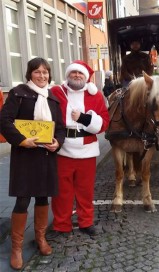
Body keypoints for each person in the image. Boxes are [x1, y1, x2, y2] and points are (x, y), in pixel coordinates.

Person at [0, 57, 65, 270]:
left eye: (45, 72)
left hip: (46, 156)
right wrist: (21, 140)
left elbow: (61, 128)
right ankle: (17, 248)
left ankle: (40, 238)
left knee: (42, 197)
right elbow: (4, 121)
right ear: (30, 74)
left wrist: (58, 142)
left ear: (49, 75)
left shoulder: (53, 98)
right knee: (22, 199)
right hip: (25, 156)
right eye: (37, 72)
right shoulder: (18, 93)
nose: (42, 76)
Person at [47, 60, 109, 239]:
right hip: (62, 148)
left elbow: (104, 122)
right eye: (73, 73)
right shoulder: (56, 92)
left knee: (85, 190)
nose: (76, 75)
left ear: (86, 76)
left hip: (87, 150)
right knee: (61, 191)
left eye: (80, 73)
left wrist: (84, 118)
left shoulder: (95, 95)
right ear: (67, 75)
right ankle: (61, 224)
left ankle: (86, 222)